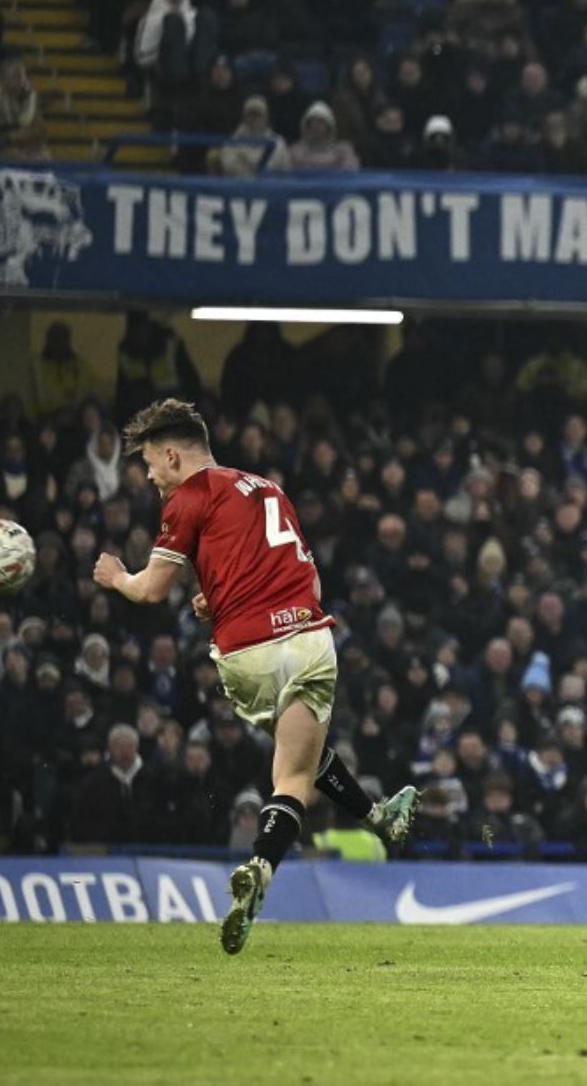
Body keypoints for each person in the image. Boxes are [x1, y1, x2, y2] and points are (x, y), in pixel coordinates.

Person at [93, 398, 418, 955]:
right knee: (296, 773)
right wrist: (217, 591)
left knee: (297, 766)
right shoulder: (270, 488)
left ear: (173, 455)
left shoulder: (186, 499)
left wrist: (118, 577)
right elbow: (307, 583)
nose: (149, 478)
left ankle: (355, 826)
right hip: (309, 637)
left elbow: (150, 590)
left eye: (150, 464)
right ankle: (281, 858)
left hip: (248, 652)